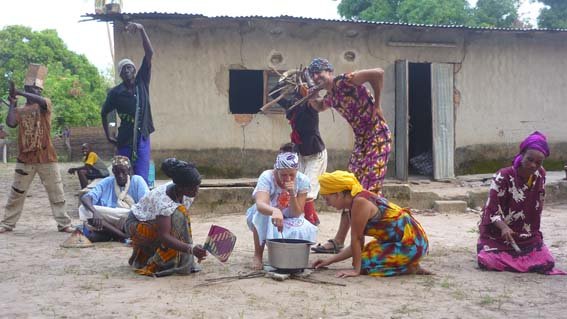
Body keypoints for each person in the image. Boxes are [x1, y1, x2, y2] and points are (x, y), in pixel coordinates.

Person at [307, 58, 392, 254]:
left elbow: (378, 72)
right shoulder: (331, 96)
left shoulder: (344, 81)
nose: (316, 77)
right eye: (313, 75)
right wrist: (310, 95)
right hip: (362, 141)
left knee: (367, 193)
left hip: (377, 136)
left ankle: (381, 239)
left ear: (330, 71)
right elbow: (319, 107)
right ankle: (339, 241)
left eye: (319, 72)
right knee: (349, 189)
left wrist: (377, 105)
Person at [477, 131, 565, 275]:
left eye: (538, 162)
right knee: (487, 260)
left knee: (547, 262)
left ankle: (518, 259)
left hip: (527, 236)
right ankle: (516, 259)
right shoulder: (503, 176)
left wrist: (531, 234)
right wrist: (504, 227)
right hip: (498, 236)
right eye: (529, 159)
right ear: (521, 154)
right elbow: (491, 210)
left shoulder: (540, 175)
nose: (533, 165)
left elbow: (536, 208)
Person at [312, 171, 430, 277]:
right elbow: (356, 245)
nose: (327, 204)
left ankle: (409, 267)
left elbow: (357, 239)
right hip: (398, 242)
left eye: (327, 199)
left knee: (364, 264)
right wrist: (329, 261)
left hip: (412, 243)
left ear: (337, 194)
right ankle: (407, 263)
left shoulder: (359, 202)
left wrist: (356, 271)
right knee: (361, 256)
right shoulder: (354, 203)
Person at [0, 65, 74, 234]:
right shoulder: (20, 110)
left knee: (57, 192)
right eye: (34, 89)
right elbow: (11, 123)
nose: (37, 92)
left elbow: (40, 100)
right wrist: (12, 103)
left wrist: (20, 92)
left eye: (38, 89)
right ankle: (7, 223)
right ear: (28, 88)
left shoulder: (44, 105)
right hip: (25, 159)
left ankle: (64, 223)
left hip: (47, 157)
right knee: (16, 193)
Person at [124, 158, 207, 276]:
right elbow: (165, 236)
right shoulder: (163, 200)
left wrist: (189, 248)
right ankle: (159, 262)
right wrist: (190, 249)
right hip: (137, 224)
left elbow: (181, 227)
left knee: (179, 216)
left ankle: (173, 259)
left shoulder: (187, 194)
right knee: (175, 220)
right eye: (193, 188)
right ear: (180, 187)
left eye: (198, 186)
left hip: (154, 221)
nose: (196, 191)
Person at [271, 73, 327, 226]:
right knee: (299, 187)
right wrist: (284, 79)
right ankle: (312, 217)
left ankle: (309, 221)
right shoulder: (292, 105)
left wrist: (310, 85)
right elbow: (274, 94)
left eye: (305, 89)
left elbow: (317, 100)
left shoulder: (311, 105)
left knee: (308, 188)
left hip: (315, 154)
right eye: (300, 89)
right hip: (300, 154)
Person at [101, 22, 154, 184]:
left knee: (141, 177)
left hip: (142, 137)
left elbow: (149, 53)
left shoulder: (142, 82)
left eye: (130, 67)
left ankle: (140, 205)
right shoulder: (116, 93)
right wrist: (109, 135)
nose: (128, 70)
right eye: (124, 69)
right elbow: (105, 112)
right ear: (121, 74)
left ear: (135, 70)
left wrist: (141, 29)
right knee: (123, 175)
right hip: (124, 138)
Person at [246, 151, 318, 270]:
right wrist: (274, 211)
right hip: (266, 213)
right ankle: (257, 255)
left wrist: (292, 193)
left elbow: (296, 213)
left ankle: (290, 256)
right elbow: (260, 204)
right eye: (283, 175)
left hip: (289, 216)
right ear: (277, 170)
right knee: (261, 215)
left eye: (292, 175)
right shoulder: (267, 176)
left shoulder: (303, 180)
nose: (288, 178)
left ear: (297, 172)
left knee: (303, 226)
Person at [79, 155, 148, 242]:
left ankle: (113, 232)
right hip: (109, 219)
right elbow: (86, 198)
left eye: (123, 172)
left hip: (130, 217)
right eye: (117, 172)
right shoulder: (107, 181)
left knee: (138, 216)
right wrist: (95, 212)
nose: (120, 175)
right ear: (113, 172)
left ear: (129, 171)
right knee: (84, 209)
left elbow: (146, 206)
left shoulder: (137, 180)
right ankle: (118, 233)